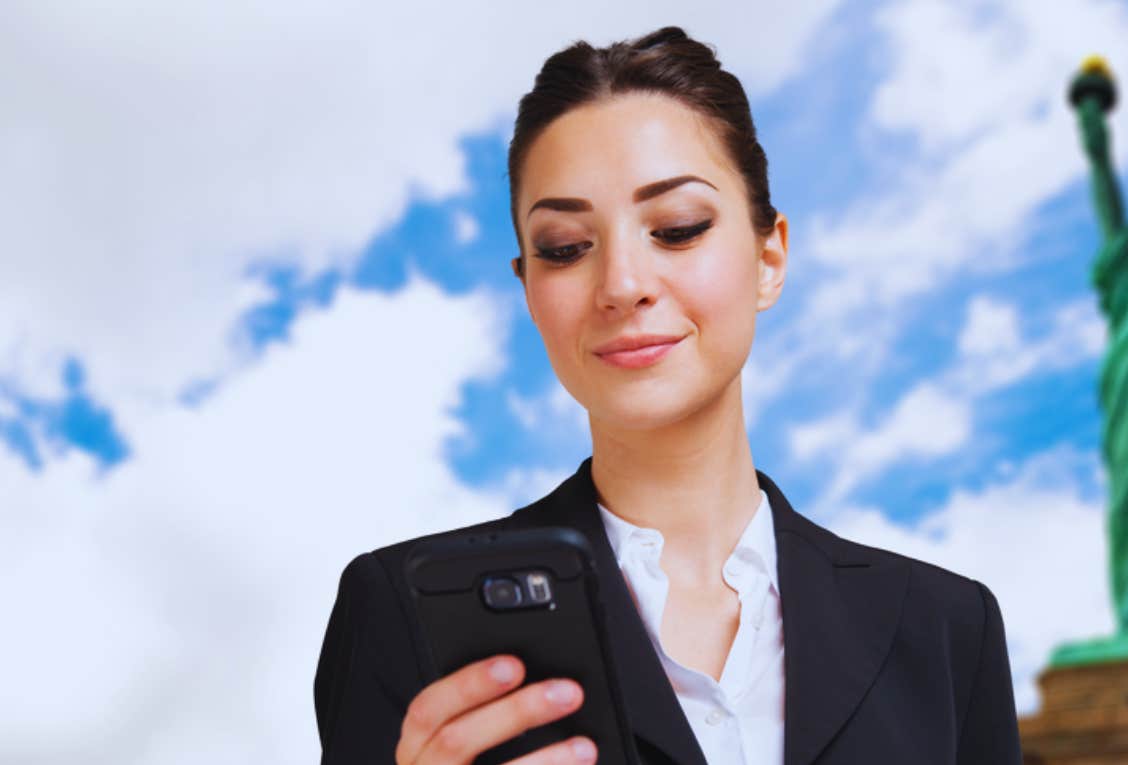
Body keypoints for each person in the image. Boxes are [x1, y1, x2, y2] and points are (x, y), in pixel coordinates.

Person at [314, 26, 1022, 765]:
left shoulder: (944, 628)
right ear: (528, 287)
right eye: (564, 247)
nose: (622, 284)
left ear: (769, 258)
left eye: (677, 229)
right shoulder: (403, 614)